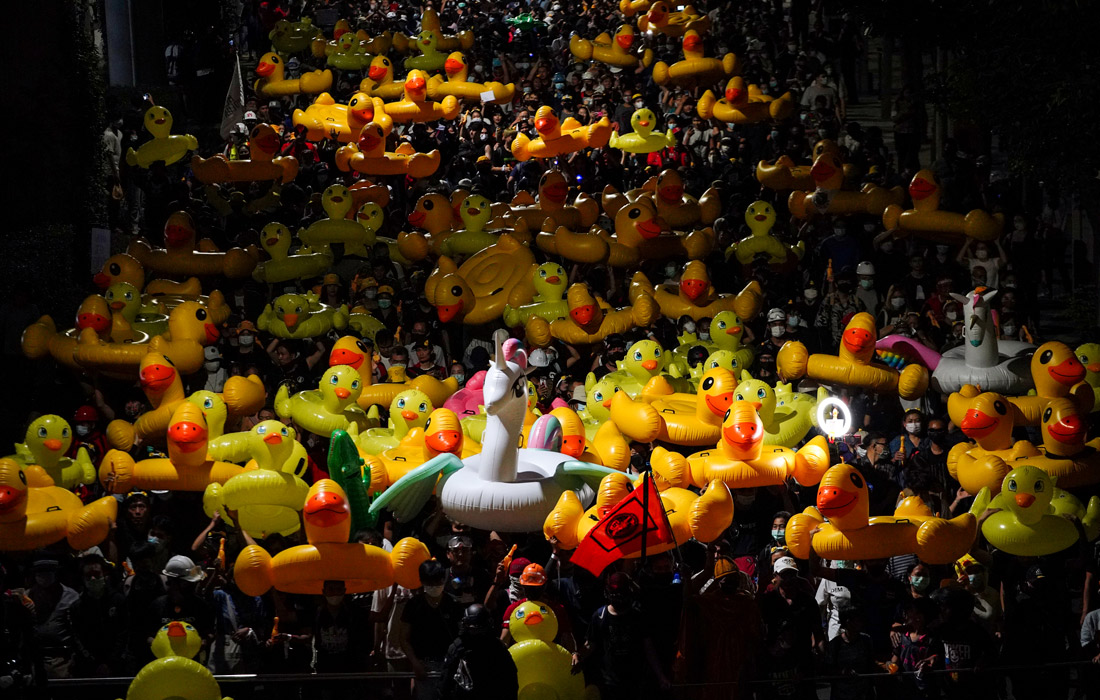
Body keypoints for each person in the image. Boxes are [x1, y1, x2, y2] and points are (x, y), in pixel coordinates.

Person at [575, 572, 666, 699]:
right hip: (609, 683)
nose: (618, 598)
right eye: (615, 594)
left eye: (621, 594)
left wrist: (660, 676)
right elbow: (590, 644)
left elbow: (648, 648)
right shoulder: (600, 616)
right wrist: (578, 655)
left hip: (635, 681)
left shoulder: (637, 616)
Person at [401, 560, 461, 700]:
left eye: (438, 581)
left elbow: (461, 636)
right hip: (424, 666)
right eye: (430, 582)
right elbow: (403, 638)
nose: (434, 586)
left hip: (449, 665)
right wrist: (415, 663)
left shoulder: (453, 604)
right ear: (422, 582)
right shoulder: (413, 605)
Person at [441, 604, 518, 700]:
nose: (476, 633)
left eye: (479, 628)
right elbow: (446, 681)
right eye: (473, 629)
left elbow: (510, 680)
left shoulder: (497, 647)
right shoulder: (458, 647)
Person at [71, 554, 129, 677]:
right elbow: (77, 638)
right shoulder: (77, 607)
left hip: (117, 665)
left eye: (96, 574)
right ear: (83, 578)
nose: (93, 578)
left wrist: (112, 661)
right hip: (88, 667)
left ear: (105, 574)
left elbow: (124, 632)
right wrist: (93, 662)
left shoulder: (118, 601)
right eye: (88, 575)